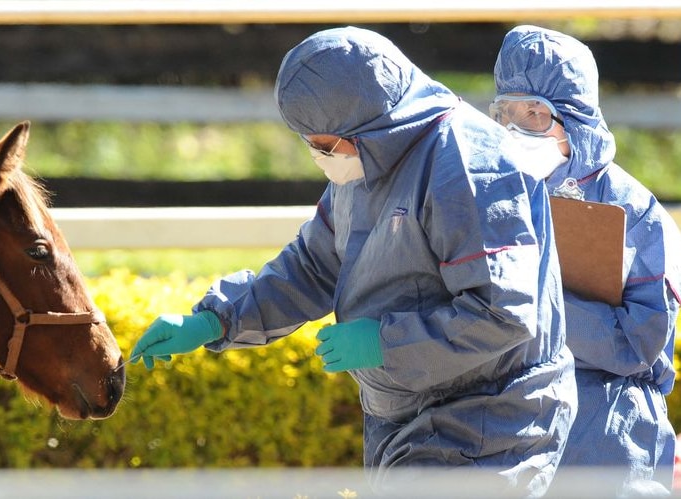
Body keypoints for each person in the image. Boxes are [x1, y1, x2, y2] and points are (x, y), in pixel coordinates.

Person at [131, 26, 577, 497]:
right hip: (408, 415)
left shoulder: (466, 168)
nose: (318, 154)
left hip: (488, 423)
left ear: (365, 124)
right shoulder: (369, 159)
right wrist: (215, 320)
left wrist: (387, 344)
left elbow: (503, 313)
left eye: (321, 143)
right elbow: (314, 264)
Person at [492, 25, 681, 495]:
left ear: (573, 117)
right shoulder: (493, 195)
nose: (517, 127)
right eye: (507, 111)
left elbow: (641, 343)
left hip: (609, 437)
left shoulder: (633, 211)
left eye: (536, 113)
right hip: (510, 431)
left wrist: (538, 308)